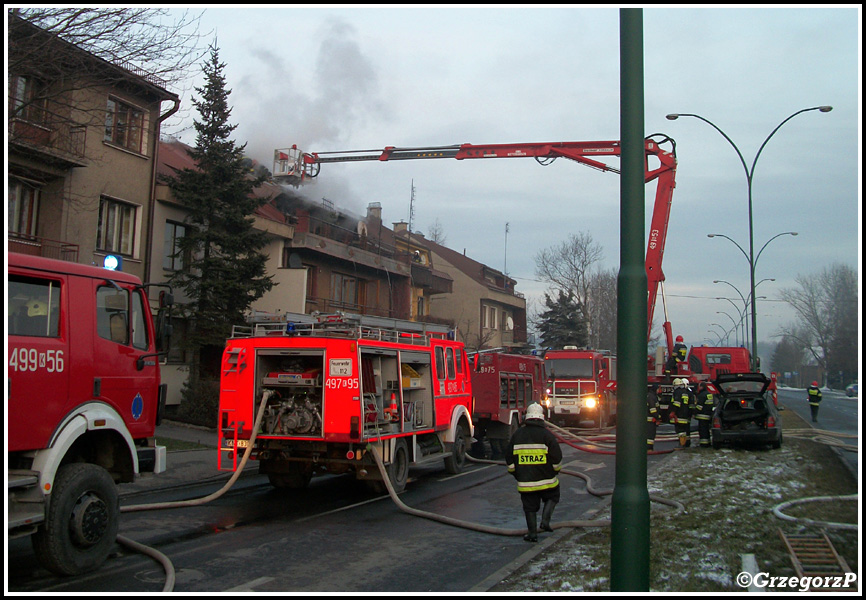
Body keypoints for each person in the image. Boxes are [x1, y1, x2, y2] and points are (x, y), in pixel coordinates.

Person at [506, 402, 563, 542]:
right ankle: (545, 521)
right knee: (553, 496)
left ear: (527, 417)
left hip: (526, 481)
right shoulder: (547, 435)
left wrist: (516, 473)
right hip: (547, 480)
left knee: (529, 507)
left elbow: (509, 457)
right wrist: (555, 471)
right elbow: (557, 457)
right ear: (542, 418)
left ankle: (532, 534)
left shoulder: (517, 435)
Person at [670, 378, 695, 448]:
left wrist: (673, 412)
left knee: (680, 431)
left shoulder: (677, 392)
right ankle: (686, 443)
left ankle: (682, 444)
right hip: (685, 414)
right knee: (685, 430)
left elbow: (676, 403)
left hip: (679, 414)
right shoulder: (686, 392)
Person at [693, 381, 716, 448]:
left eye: (699, 386)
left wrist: (694, 412)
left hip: (702, 416)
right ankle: (708, 443)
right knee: (707, 431)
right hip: (708, 415)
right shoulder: (709, 394)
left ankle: (704, 444)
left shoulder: (701, 395)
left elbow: (699, 407)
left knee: (702, 431)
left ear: (701, 387)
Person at [647, 384, 660, 451]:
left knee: (650, 434)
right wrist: (658, 417)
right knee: (650, 435)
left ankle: (649, 447)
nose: (659, 391)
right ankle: (649, 448)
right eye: (658, 389)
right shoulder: (652, 397)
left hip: (650, 419)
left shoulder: (652, 396)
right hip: (650, 420)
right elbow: (653, 409)